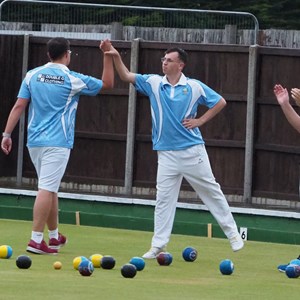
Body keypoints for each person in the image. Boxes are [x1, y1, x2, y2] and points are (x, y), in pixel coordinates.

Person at [106, 45, 244, 259]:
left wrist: (200, 121)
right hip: (166, 154)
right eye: (164, 59)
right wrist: (114, 55)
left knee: (211, 191)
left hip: (192, 151)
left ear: (181, 65)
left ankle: (233, 235)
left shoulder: (194, 86)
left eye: (169, 60)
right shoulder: (153, 82)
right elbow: (125, 75)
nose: (164, 62)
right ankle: (158, 245)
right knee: (163, 199)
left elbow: (220, 102)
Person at [1, 37, 114, 255]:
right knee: (46, 188)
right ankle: (35, 240)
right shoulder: (72, 78)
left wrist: (6, 133)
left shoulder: (32, 75)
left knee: (49, 187)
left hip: (34, 142)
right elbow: (108, 83)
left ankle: (54, 237)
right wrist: (108, 55)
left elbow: (19, 106)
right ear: (67, 54)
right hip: (58, 142)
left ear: (48, 54)